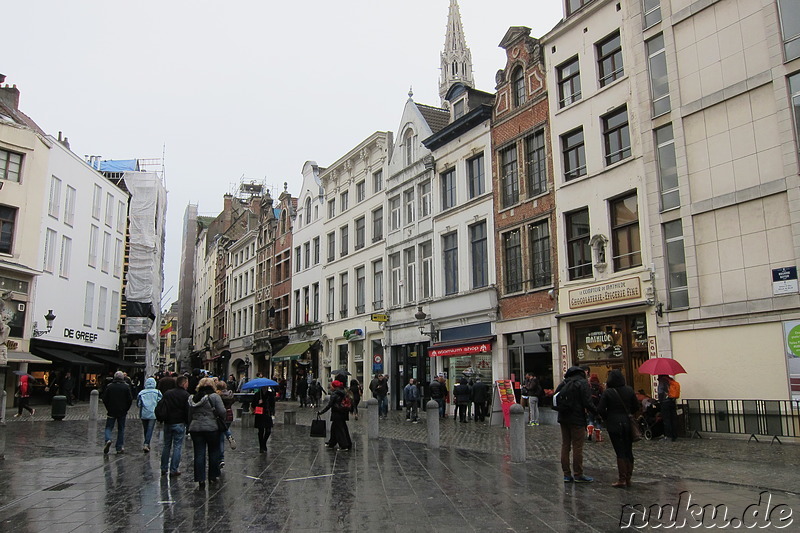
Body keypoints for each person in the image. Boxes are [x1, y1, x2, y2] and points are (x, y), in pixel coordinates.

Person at [598, 369, 640, 487]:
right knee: (628, 450)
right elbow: (636, 406)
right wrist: (629, 413)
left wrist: (607, 417)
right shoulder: (629, 390)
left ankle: (622, 479)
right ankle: (628, 478)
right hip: (627, 423)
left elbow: (600, 409)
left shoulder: (608, 392)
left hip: (614, 423)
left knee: (620, 451)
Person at [555, 366, 597, 483]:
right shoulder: (582, 383)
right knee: (577, 446)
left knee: (565, 445)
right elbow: (587, 402)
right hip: (577, 419)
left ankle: (566, 474)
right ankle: (578, 473)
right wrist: (597, 412)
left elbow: (555, 397)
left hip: (563, 418)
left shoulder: (564, 382)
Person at [188, 377, 226, 489]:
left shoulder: (193, 398)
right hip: (211, 428)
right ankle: (213, 476)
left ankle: (200, 479)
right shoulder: (214, 397)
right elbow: (222, 411)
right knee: (214, 452)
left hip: (196, 428)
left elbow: (189, 414)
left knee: (199, 454)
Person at [160, 375, 190, 476]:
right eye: (187, 383)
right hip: (179, 423)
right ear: (183, 383)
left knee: (166, 445)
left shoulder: (168, 393)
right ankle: (174, 469)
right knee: (177, 446)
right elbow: (187, 411)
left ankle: (163, 468)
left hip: (168, 422)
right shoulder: (186, 395)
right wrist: (187, 423)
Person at [102, 371, 133, 454]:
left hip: (111, 411)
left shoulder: (110, 386)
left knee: (108, 427)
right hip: (122, 411)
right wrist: (126, 409)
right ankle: (119, 447)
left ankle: (108, 439)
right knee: (121, 429)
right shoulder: (126, 387)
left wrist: (108, 408)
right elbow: (130, 400)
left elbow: (104, 399)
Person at [318, 380, 352, 450]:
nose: (329, 387)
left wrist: (321, 412)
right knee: (335, 428)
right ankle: (332, 443)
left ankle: (344, 445)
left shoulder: (334, 394)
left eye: (331, 386)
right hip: (342, 412)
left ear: (334, 387)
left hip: (336, 413)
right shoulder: (343, 392)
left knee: (340, 430)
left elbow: (329, 405)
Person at [214, 380, 237, 468]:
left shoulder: (218, 396)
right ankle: (229, 436)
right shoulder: (230, 394)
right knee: (226, 428)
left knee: (220, 438)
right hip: (230, 415)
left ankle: (221, 458)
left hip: (221, 416)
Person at [137, 377, 162, 453]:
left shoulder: (141, 393)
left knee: (145, 429)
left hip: (144, 413)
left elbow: (139, 404)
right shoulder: (157, 392)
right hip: (153, 413)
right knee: (150, 429)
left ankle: (146, 443)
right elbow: (160, 402)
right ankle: (146, 443)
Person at [252, 385, 275, 453]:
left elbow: (273, 404)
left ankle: (264, 443)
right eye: (264, 387)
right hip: (260, 414)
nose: (265, 388)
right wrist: (258, 403)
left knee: (268, 430)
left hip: (267, 413)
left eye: (266, 387)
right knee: (261, 431)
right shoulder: (257, 394)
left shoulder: (270, 394)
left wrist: (272, 412)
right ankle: (261, 446)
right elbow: (253, 405)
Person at [658, 375, 679, 441]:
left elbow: (660, 392)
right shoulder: (671, 380)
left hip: (665, 402)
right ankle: (674, 435)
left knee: (666, 419)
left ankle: (668, 436)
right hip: (672, 401)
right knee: (673, 418)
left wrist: (660, 400)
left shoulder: (662, 381)